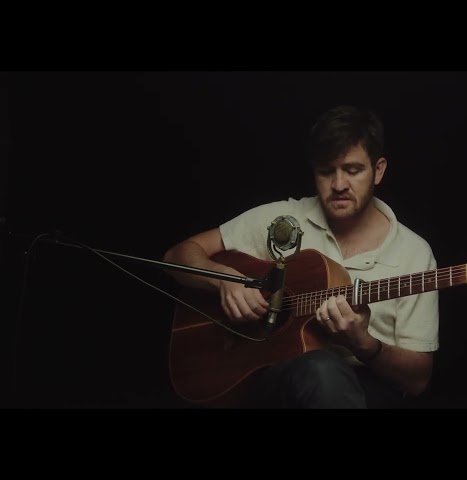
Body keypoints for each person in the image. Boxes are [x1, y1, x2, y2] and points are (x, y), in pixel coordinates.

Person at [163, 105, 439, 408]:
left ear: (379, 170)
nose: (338, 185)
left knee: (323, 370)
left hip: (367, 389)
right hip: (276, 384)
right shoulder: (283, 219)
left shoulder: (414, 253)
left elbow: (417, 381)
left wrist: (363, 344)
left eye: (353, 170)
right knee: (318, 368)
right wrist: (224, 280)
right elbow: (177, 255)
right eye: (326, 171)